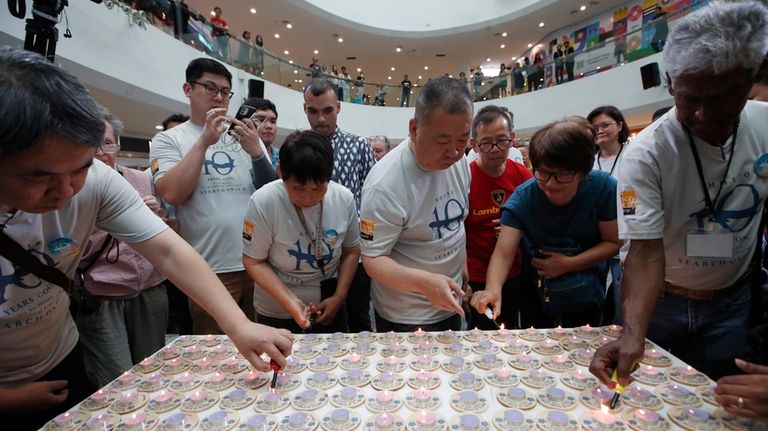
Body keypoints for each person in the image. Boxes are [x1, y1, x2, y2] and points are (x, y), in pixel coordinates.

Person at [0, 46, 292, 431]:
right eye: (39, 178)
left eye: (80, 168)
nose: (67, 191)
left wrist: (238, 326)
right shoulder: (175, 141)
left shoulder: (98, 182)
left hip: (59, 355)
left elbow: (168, 250)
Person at [588, 2, 768, 411]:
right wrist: (634, 333)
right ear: (670, 84)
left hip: (733, 303)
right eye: (689, 99)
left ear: (752, 79)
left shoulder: (764, 126)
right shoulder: (647, 154)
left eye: (722, 99)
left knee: (718, 407)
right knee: (650, 405)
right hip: (662, 302)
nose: (703, 114)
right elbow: (644, 251)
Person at [150, 58, 276, 335]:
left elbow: (273, 195)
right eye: (210, 88)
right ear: (188, 89)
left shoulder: (244, 136)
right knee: (217, 348)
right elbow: (173, 193)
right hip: (209, 268)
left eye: (225, 91)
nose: (219, 97)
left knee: (265, 338)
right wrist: (205, 140)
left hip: (257, 262)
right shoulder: (170, 139)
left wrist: (256, 151)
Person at [472, 117, 620, 329]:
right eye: (542, 173)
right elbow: (504, 252)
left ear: (583, 172)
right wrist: (493, 289)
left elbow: (614, 242)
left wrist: (569, 263)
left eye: (562, 175)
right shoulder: (524, 197)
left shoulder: (603, 187)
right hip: (538, 292)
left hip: (586, 290)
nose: (550, 183)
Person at [360, 77, 472, 332]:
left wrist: (461, 263)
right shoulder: (385, 184)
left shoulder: (460, 162)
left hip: (450, 302)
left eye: (463, 139)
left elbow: (456, 222)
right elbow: (373, 259)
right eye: (442, 141)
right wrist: (426, 284)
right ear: (414, 128)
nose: (454, 151)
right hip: (404, 315)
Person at [73, 106, 170, 388]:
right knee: (116, 376)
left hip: (149, 289)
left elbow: (166, 232)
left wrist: (152, 216)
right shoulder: (72, 188)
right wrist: (113, 221)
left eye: (106, 142)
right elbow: (69, 250)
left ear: (117, 143)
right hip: (102, 292)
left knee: (153, 366)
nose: (100, 151)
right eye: (90, 142)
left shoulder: (141, 179)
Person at [243, 131, 360, 333]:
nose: (308, 198)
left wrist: (339, 297)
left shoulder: (343, 198)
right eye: (298, 188)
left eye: (317, 189)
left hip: (329, 303)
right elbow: (253, 261)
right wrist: (290, 301)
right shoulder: (264, 201)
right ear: (281, 173)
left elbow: (351, 251)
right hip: (277, 309)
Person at [303, 78, 376, 332]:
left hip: (353, 253)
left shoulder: (358, 146)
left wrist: (369, 248)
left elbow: (371, 202)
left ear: (338, 107)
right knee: (319, 323)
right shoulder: (298, 148)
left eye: (327, 110)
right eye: (313, 111)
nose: (321, 119)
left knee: (359, 319)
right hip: (309, 256)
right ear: (305, 109)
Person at [465, 106, 532, 330]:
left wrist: (515, 229)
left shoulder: (523, 176)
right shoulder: (465, 178)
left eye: (502, 141)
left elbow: (537, 221)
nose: (494, 149)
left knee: (509, 328)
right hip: (475, 273)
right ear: (474, 145)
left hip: (513, 271)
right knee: (480, 333)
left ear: (512, 139)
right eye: (486, 143)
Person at [587, 105, 629, 324]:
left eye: (606, 125)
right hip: (595, 238)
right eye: (594, 128)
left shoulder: (633, 155)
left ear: (620, 125)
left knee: (623, 295)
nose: (600, 131)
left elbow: (632, 198)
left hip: (626, 235)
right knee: (596, 296)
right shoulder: (589, 161)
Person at [248, 98, 280, 168]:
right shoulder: (240, 158)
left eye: (273, 121)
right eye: (261, 120)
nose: (269, 126)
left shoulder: (283, 157)